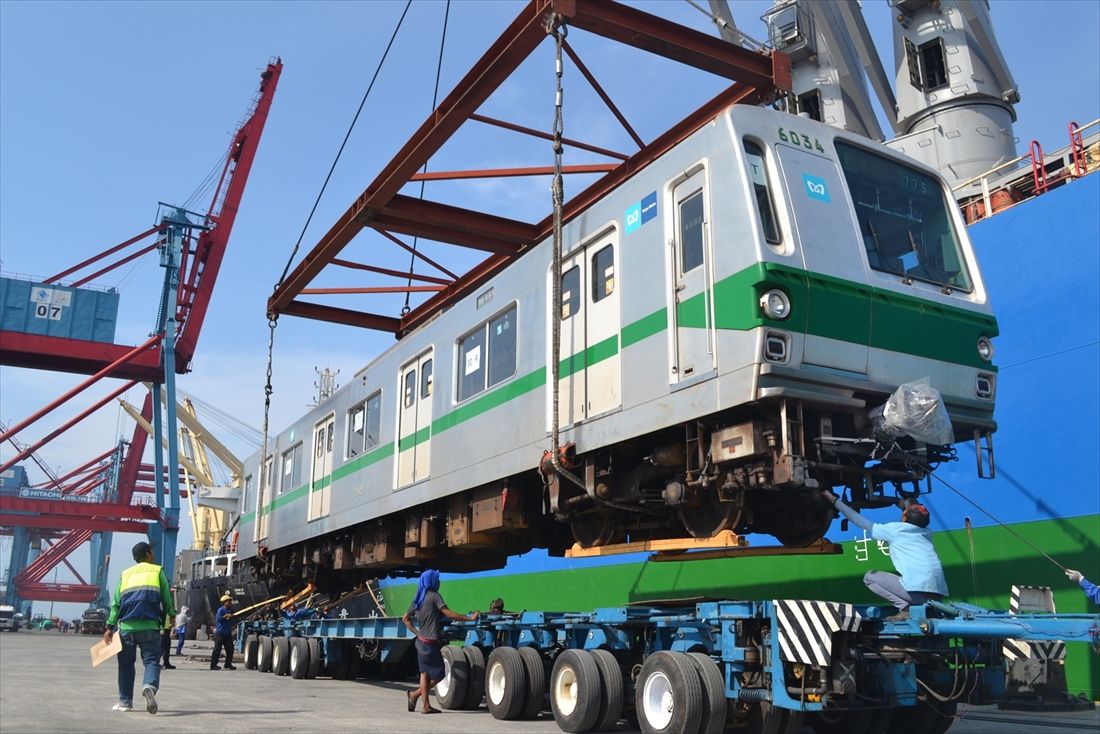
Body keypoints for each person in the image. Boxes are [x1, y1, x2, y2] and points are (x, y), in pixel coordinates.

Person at [822, 490, 948, 621]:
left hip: (918, 596)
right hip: (937, 597)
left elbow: (858, 520)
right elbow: (913, 515)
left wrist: (834, 500)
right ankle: (916, 606)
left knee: (870, 577)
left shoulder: (895, 531)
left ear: (904, 517)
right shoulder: (926, 533)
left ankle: (905, 609)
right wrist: (907, 503)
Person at [103, 541, 175, 714]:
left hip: (127, 627)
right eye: (153, 552)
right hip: (150, 626)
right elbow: (166, 598)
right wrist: (171, 615)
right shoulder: (157, 571)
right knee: (151, 661)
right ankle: (149, 685)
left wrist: (109, 627)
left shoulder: (125, 574)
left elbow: (115, 604)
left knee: (126, 665)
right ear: (148, 555)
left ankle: (125, 702)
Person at [401, 570, 479, 714]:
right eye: (437, 579)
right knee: (440, 674)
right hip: (430, 644)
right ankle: (416, 696)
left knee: (424, 673)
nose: (439, 582)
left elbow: (405, 618)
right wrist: (469, 618)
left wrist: (417, 633)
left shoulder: (418, 599)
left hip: (420, 642)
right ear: (431, 581)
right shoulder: (434, 596)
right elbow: (447, 613)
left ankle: (423, 703)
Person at [210, 594, 237, 670]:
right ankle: (213, 665)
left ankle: (228, 664)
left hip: (227, 633)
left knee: (230, 649)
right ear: (224, 602)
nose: (230, 602)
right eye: (229, 601)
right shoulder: (221, 610)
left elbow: (233, 616)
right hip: (220, 633)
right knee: (217, 650)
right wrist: (225, 616)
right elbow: (218, 619)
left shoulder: (230, 610)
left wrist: (232, 616)